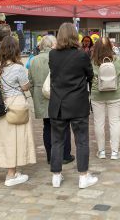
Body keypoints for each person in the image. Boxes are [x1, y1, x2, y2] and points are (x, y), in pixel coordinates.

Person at [0, 36, 36, 187]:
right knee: (14, 138)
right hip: (14, 105)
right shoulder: (18, 68)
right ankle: (11, 173)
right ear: (16, 50)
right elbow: (25, 87)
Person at [49, 23, 97, 189]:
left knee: (57, 141)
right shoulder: (81, 55)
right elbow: (90, 75)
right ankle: (83, 177)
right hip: (77, 103)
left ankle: (56, 176)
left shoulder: (52, 55)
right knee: (82, 141)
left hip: (58, 104)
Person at [28, 35, 74, 165]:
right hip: (58, 97)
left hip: (41, 98)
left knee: (47, 127)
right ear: (53, 45)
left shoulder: (33, 60)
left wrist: (35, 95)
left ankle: (50, 156)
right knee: (63, 127)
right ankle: (64, 155)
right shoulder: (58, 58)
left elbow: (30, 82)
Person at [91, 37, 120, 160]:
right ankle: (114, 152)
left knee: (99, 123)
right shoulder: (116, 59)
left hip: (97, 95)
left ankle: (102, 151)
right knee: (114, 122)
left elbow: (90, 77)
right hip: (114, 94)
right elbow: (119, 77)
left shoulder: (93, 61)